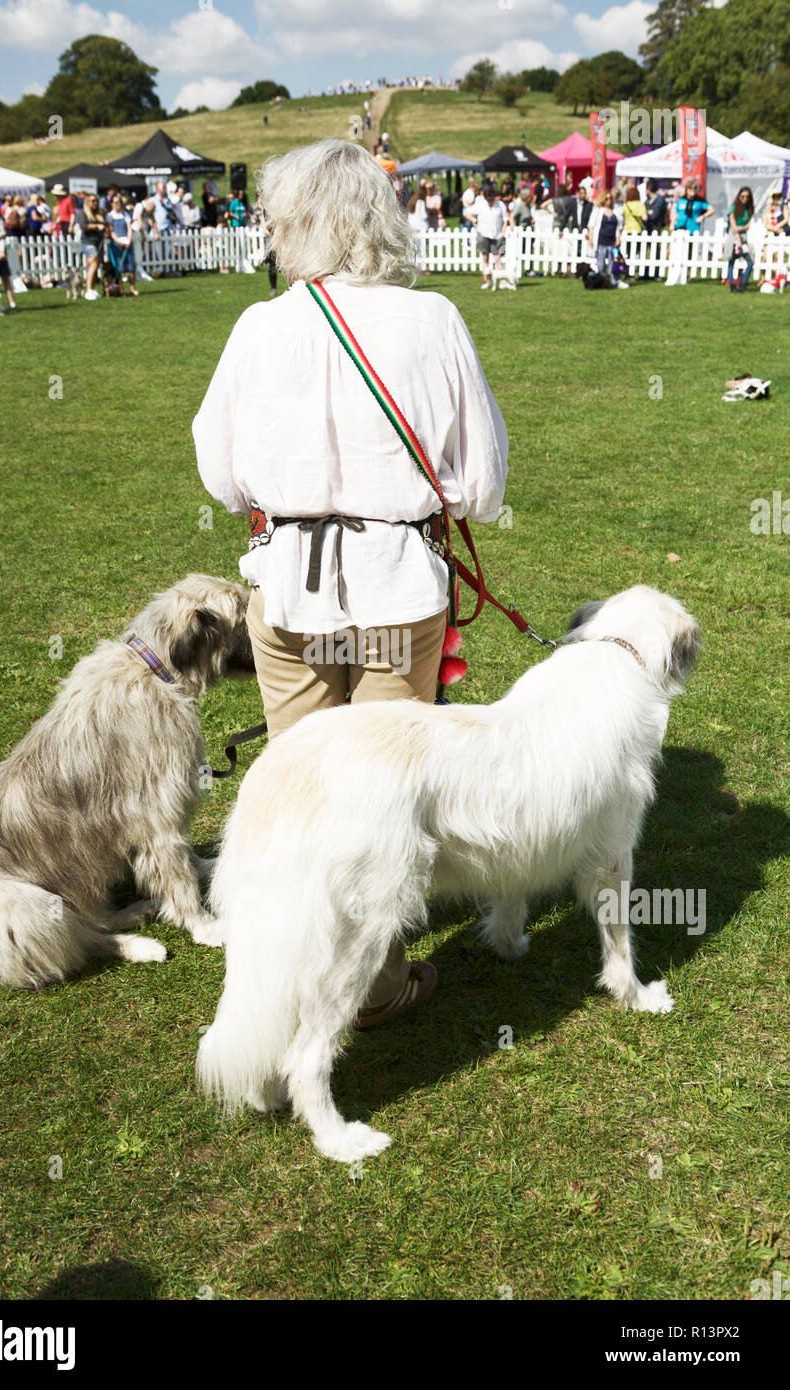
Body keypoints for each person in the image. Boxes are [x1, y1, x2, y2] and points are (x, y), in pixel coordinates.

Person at [192, 139, 508, 1028]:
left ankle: (299, 974)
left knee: (303, 791)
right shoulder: (432, 318)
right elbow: (482, 482)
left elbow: (220, 471)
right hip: (396, 585)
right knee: (378, 799)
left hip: (290, 589)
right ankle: (373, 984)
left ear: (296, 222)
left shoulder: (260, 328)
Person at [465, 184, 505, 287]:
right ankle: (486, 281)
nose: (490, 202)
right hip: (483, 234)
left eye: (491, 200)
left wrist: (503, 231)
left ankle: (501, 281)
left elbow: (505, 219)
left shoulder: (500, 205)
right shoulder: (480, 204)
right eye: (488, 200)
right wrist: (474, 220)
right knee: (485, 258)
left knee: (497, 258)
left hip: (497, 235)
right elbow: (466, 212)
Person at [105, 192, 139, 296]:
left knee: (131, 267)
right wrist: (119, 242)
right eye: (116, 202)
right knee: (118, 268)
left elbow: (129, 228)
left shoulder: (125, 214)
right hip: (117, 244)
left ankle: (132, 288)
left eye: (119, 202)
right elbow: (112, 232)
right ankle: (120, 289)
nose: (118, 204)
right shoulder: (110, 216)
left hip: (127, 242)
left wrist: (129, 240)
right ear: (111, 204)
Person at [588, 190, 624, 286]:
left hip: (612, 241)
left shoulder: (616, 211)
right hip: (601, 241)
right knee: (601, 264)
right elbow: (591, 226)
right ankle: (603, 282)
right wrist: (591, 238)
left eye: (610, 198)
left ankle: (616, 281)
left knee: (614, 263)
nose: (608, 200)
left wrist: (618, 239)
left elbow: (619, 227)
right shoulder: (598, 211)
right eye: (606, 198)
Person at [75, 192, 106, 300]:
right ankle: (88, 290)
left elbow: (104, 224)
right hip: (88, 242)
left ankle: (92, 289)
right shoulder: (82, 213)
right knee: (94, 264)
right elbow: (83, 226)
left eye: (96, 201)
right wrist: (96, 226)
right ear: (87, 202)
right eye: (93, 201)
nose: (95, 203)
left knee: (96, 265)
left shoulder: (99, 213)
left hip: (99, 242)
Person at [728, 186, 754, 292]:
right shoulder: (733, 208)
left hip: (743, 237)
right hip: (733, 237)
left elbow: (748, 226)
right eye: (743, 196)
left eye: (747, 196)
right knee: (732, 261)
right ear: (739, 196)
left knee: (750, 262)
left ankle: (743, 283)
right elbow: (734, 227)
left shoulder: (749, 209)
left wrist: (741, 230)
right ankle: (732, 285)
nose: (745, 198)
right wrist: (740, 234)